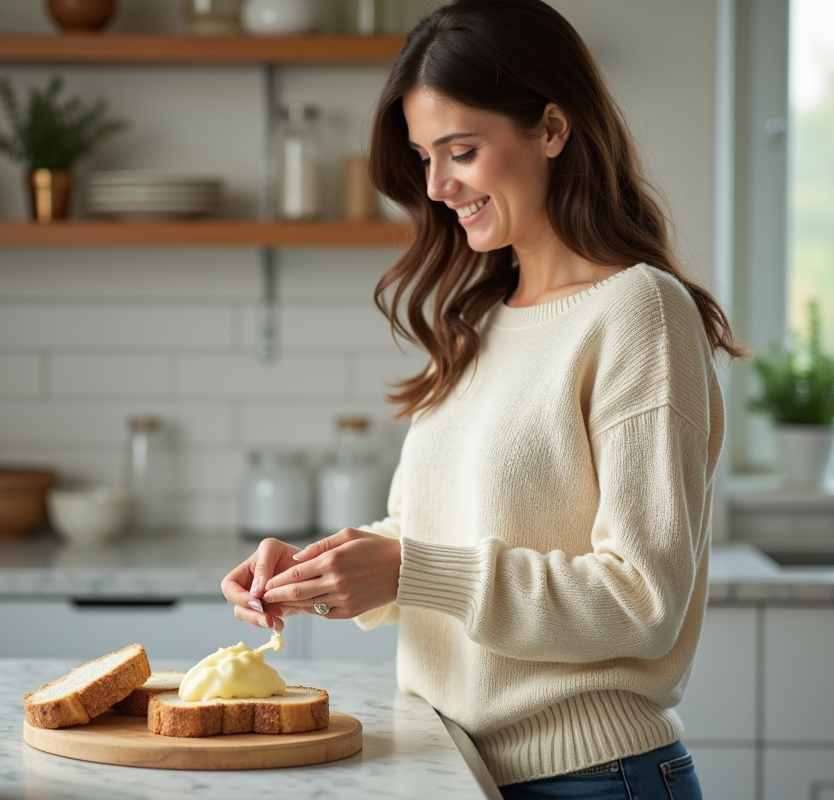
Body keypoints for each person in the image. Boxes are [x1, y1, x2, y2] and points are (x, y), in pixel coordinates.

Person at [221, 1, 741, 797]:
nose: (436, 185)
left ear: (553, 130)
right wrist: (320, 567)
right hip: (457, 769)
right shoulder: (480, 321)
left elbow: (643, 600)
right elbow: (431, 534)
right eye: (425, 156)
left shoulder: (639, 311)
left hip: (593, 778)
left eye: (461, 151)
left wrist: (408, 572)